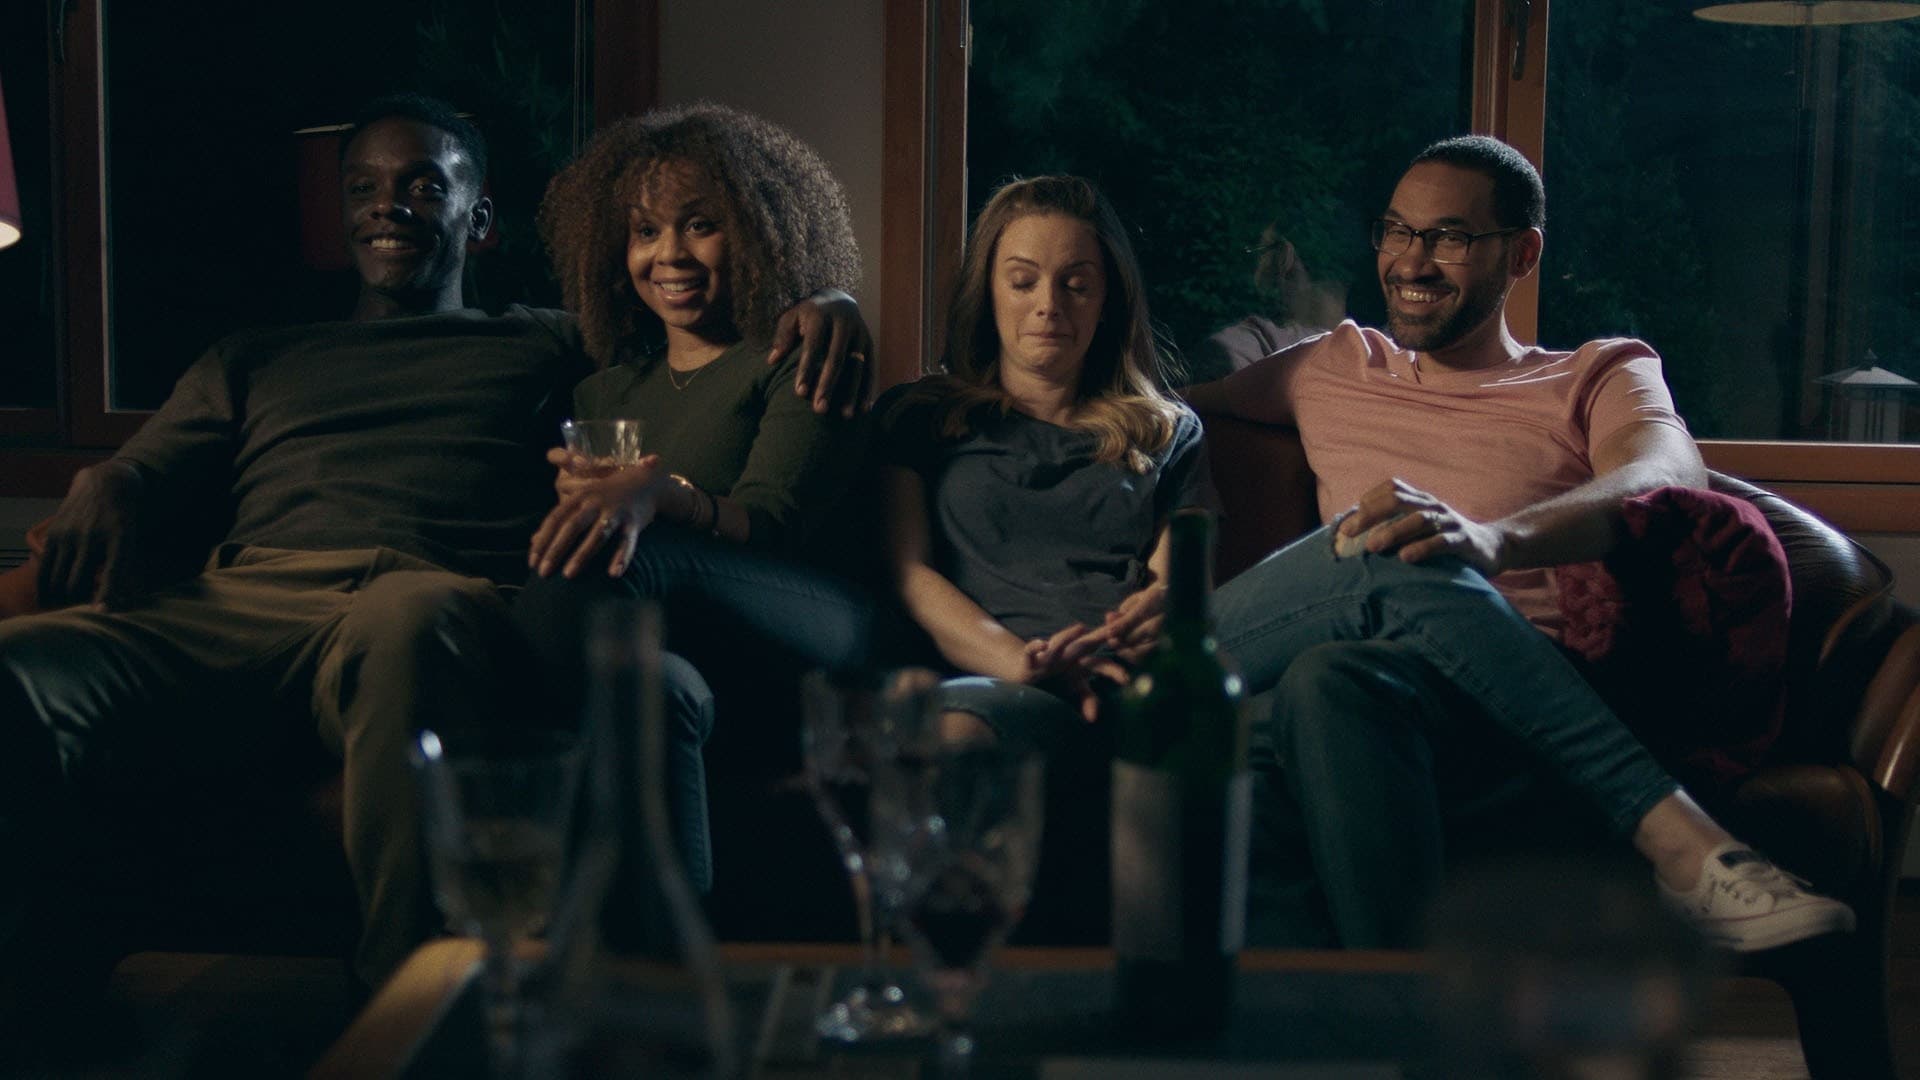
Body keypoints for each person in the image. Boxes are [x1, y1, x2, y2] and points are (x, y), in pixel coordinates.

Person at [0, 93, 871, 1016]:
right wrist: (111, 480)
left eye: (422, 185)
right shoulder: (253, 357)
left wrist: (831, 302)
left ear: (478, 218)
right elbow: (148, 469)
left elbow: (700, 328)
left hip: (422, 597)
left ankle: (409, 1016)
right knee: (18, 664)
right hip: (245, 600)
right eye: (364, 187)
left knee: (410, 619)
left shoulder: (548, 344)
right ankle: (40, 1007)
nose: (389, 204)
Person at [1182, 134, 1853, 951]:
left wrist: (1495, 541)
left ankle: (1389, 1011)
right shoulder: (1330, 365)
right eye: (1397, 231)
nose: (1412, 261)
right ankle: (1681, 844)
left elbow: (1663, 475)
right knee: (1364, 599)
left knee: (1337, 658)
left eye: (1450, 238)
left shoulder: (1597, 373)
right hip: (1369, 675)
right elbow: (1159, 403)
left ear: (1522, 253)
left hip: (1512, 710)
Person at [514, 102, 874, 895]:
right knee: (654, 684)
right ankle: (666, 951)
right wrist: (595, 507)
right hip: (679, 639)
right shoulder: (605, 391)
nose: (669, 254)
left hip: (811, 622)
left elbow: (775, 525)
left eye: (700, 226)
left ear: (758, 231)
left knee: (593, 566)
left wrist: (664, 498)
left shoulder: (798, 349)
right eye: (645, 231)